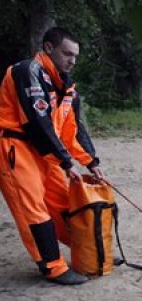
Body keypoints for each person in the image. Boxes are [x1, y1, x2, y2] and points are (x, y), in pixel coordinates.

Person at [0, 26, 103, 285]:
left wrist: (90, 161)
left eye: (76, 56)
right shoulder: (27, 72)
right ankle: (53, 267)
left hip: (46, 152)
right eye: (67, 54)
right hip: (17, 147)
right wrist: (65, 161)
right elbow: (36, 122)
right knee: (33, 210)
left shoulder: (67, 88)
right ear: (48, 48)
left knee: (66, 203)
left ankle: (88, 254)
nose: (73, 61)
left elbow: (73, 130)